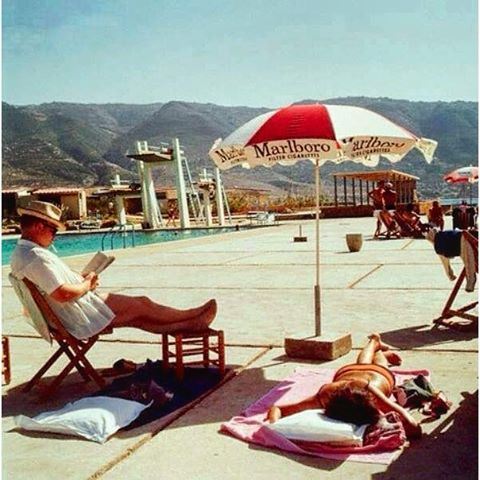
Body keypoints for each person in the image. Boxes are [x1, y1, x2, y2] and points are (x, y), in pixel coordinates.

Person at [10, 201, 217, 341]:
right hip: (78, 316)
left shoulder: (24, 253)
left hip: (67, 315)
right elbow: (62, 294)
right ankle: (192, 315)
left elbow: (54, 288)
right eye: (53, 230)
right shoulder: (35, 257)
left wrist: (81, 281)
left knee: (139, 317)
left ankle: (191, 323)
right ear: (38, 226)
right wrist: (87, 284)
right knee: (142, 304)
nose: (54, 236)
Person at [267, 333, 422, 440]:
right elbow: (277, 409)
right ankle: (375, 345)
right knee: (365, 363)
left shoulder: (328, 395)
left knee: (374, 363)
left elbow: (413, 428)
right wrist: (276, 428)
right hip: (357, 374)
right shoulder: (326, 395)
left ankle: (376, 345)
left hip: (375, 375)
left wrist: (276, 427)